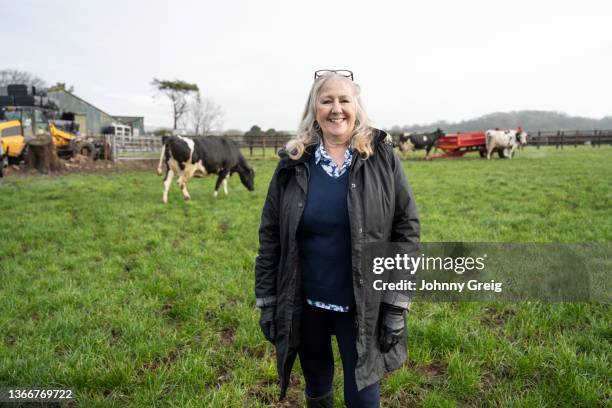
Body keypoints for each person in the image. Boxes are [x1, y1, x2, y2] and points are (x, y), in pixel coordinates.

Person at [255, 70, 420, 408]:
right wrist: (267, 300)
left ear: (356, 106)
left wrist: (396, 302)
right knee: (316, 385)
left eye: (344, 100)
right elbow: (270, 235)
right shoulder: (293, 162)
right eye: (326, 100)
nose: (336, 108)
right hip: (306, 301)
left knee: (363, 395)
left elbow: (406, 229)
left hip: (363, 303)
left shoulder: (381, 156)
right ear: (314, 108)